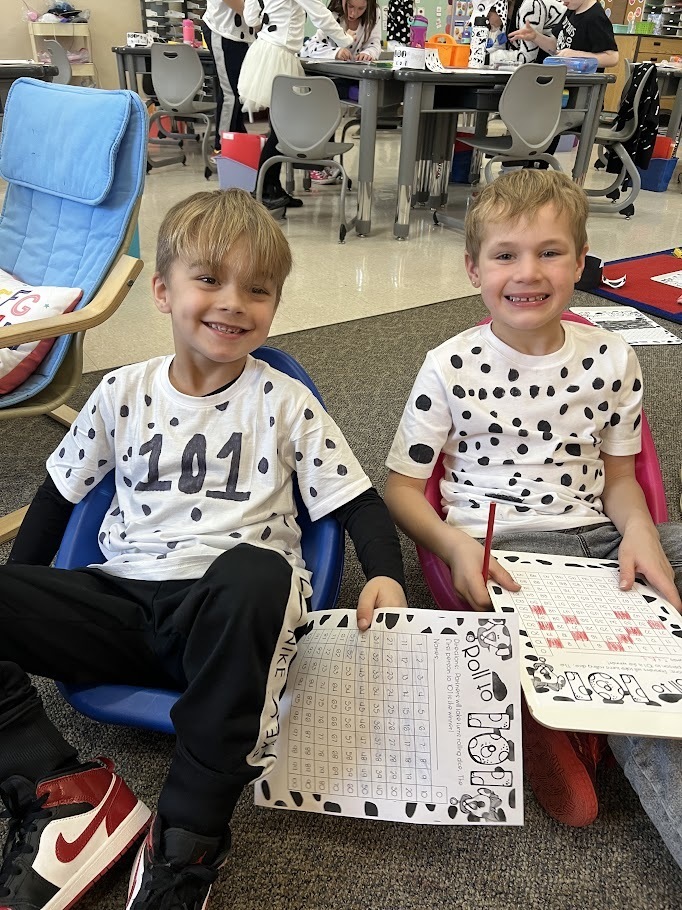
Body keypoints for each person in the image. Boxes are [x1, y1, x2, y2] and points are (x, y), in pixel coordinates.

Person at [0, 188, 408, 910]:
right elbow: (58, 498)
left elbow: (357, 502)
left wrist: (385, 574)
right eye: (210, 279)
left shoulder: (285, 403)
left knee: (257, 572)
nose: (233, 303)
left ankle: (185, 844)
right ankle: (63, 793)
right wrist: (21, 607)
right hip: (121, 602)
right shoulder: (120, 393)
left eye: (258, 289)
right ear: (163, 291)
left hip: (226, 616)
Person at [383, 170, 682, 865]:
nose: (528, 272)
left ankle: (544, 702)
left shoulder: (614, 358)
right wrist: (455, 546)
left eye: (550, 252)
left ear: (580, 262)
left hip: (602, 534)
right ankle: (562, 710)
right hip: (516, 553)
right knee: (630, 670)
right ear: (473, 269)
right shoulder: (448, 366)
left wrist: (640, 532)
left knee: (636, 625)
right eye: (505, 255)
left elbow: (622, 480)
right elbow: (401, 490)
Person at [234, 0, 353, 210]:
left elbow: (251, 18)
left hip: (264, 51)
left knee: (279, 128)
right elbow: (320, 14)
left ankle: (271, 187)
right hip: (279, 55)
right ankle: (264, 190)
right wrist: (346, 40)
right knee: (281, 130)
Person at [201, 0, 255, 151]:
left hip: (244, 35)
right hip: (223, 31)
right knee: (230, 94)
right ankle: (222, 146)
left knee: (240, 92)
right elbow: (242, 8)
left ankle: (238, 141)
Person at [509, 0, 618, 69]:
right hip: (563, 80)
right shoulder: (572, 10)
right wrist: (535, 37)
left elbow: (612, 58)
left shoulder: (595, 17)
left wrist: (576, 55)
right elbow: (557, 46)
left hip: (583, 90)